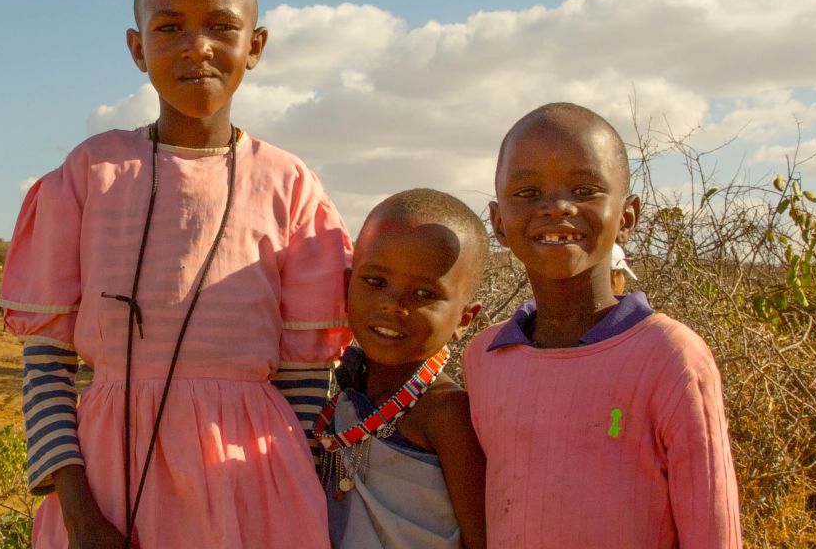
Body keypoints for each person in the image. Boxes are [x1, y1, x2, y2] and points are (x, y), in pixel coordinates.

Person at [0, 0, 351, 548]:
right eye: (169, 27)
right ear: (138, 49)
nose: (198, 46)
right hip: (104, 486)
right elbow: (46, 363)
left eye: (221, 25)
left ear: (256, 46)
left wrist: (289, 489)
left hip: (255, 481)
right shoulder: (92, 173)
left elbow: (304, 376)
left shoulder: (290, 186)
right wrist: (79, 513)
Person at [463, 103, 741, 547]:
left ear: (627, 216)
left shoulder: (669, 357)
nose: (556, 207)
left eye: (584, 189)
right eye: (528, 193)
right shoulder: (486, 358)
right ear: (498, 222)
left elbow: (714, 531)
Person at [316, 189, 487, 549]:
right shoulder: (342, 397)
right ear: (347, 287)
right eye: (375, 282)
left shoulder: (447, 413)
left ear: (464, 319)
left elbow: (481, 540)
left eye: (424, 294)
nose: (392, 304)